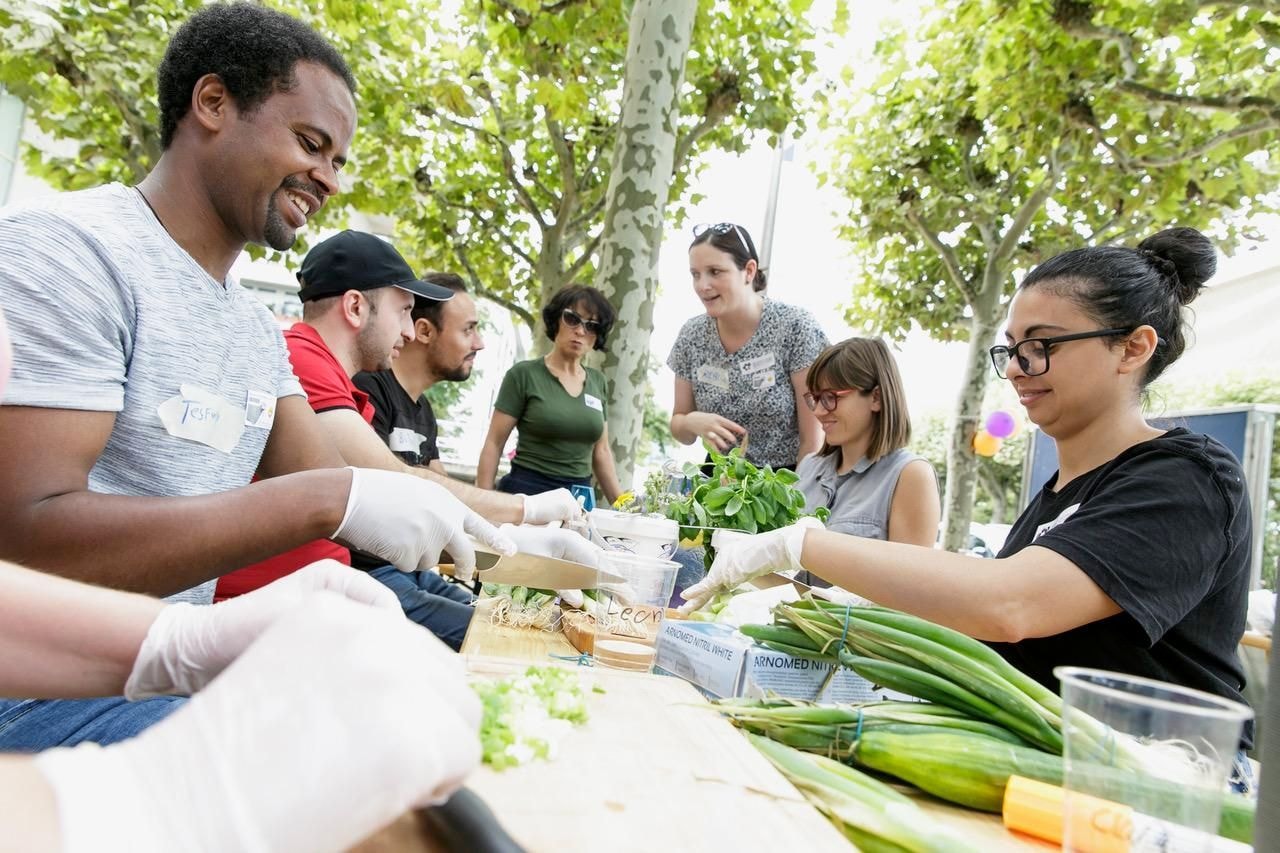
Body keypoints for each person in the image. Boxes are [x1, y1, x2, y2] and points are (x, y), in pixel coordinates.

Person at [0, 4, 510, 750]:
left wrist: (508, 538)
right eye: (312, 144)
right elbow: (25, 537)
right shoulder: (70, 255)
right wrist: (327, 499)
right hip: (37, 693)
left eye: (338, 160)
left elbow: (341, 483)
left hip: (167, 676)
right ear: (212, 104)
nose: (328, 179)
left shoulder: (249, 327)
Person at [682, 227, 1254, 749]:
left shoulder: (1188, 477)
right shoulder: (1058, 494)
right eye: (1010, 349)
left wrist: (800, 544)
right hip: (1047, 763)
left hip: (1164, 788)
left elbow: (1008, 604)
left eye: (1041, 346)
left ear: (1133, 347)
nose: (1017, 369)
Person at [0, 305, 479, 852]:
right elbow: (22, 532)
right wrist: (148, 805)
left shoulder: (253, 326)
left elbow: (329, 478)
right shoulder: (64, 243)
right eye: (401, 308)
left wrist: (176, 639)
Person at [215, 233, 600, 650]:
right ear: (356, 307)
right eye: (403, 312)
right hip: (279, 617)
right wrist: (526, 512)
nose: (408, 330)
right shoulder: (302, 359)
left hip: (319, 598)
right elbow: (392, 482)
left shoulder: (334, 379)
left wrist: (508, 541)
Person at [668, 222, 829, 472]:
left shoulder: (796, 327)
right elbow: (680, 428)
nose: (702, 285)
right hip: (719, 484)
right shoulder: (691, 335)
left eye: (715, 271)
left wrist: (796, 501)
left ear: (749, 271)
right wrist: (691, 421)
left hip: (785, 481)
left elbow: (814, 440)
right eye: (695, 274)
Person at [793, 337, 939, 588]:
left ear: (876, 398)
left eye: (831, 397)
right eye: (814, 398)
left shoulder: (910, 475)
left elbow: (908, 590)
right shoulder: (807, 467)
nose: (817, 411)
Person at [476, 284, 624, 505]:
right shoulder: (523, 375)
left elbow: (601, 451)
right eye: (572, 319)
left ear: (597, 337)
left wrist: (625, 510)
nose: (581, 331)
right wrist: (482, 504)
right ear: (556, 320)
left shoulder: (598, 382)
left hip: (578, 501)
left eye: (592, 326)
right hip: (526, 496)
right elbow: (494, 443)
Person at [353, 271, 481, 474]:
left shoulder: (424, 411)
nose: (479, 344)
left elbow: (444, 489)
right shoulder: (368, 389)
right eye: (468, 330)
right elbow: (378, 482)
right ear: (424, 332)